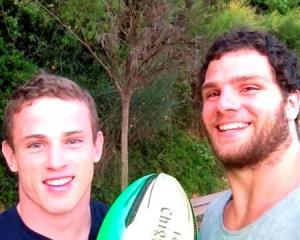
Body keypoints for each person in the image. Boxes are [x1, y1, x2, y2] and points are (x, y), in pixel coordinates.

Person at [198, 28, 300, 239]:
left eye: (249, 88)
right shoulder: (212, 217)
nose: (224, 104)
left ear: (291, 104)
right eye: (213, 93)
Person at [0, 73, 108, 239]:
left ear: (97, 147)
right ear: (11, 156)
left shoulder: (134, 232)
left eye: (73, 141)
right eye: (36, 145)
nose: (56, 162)